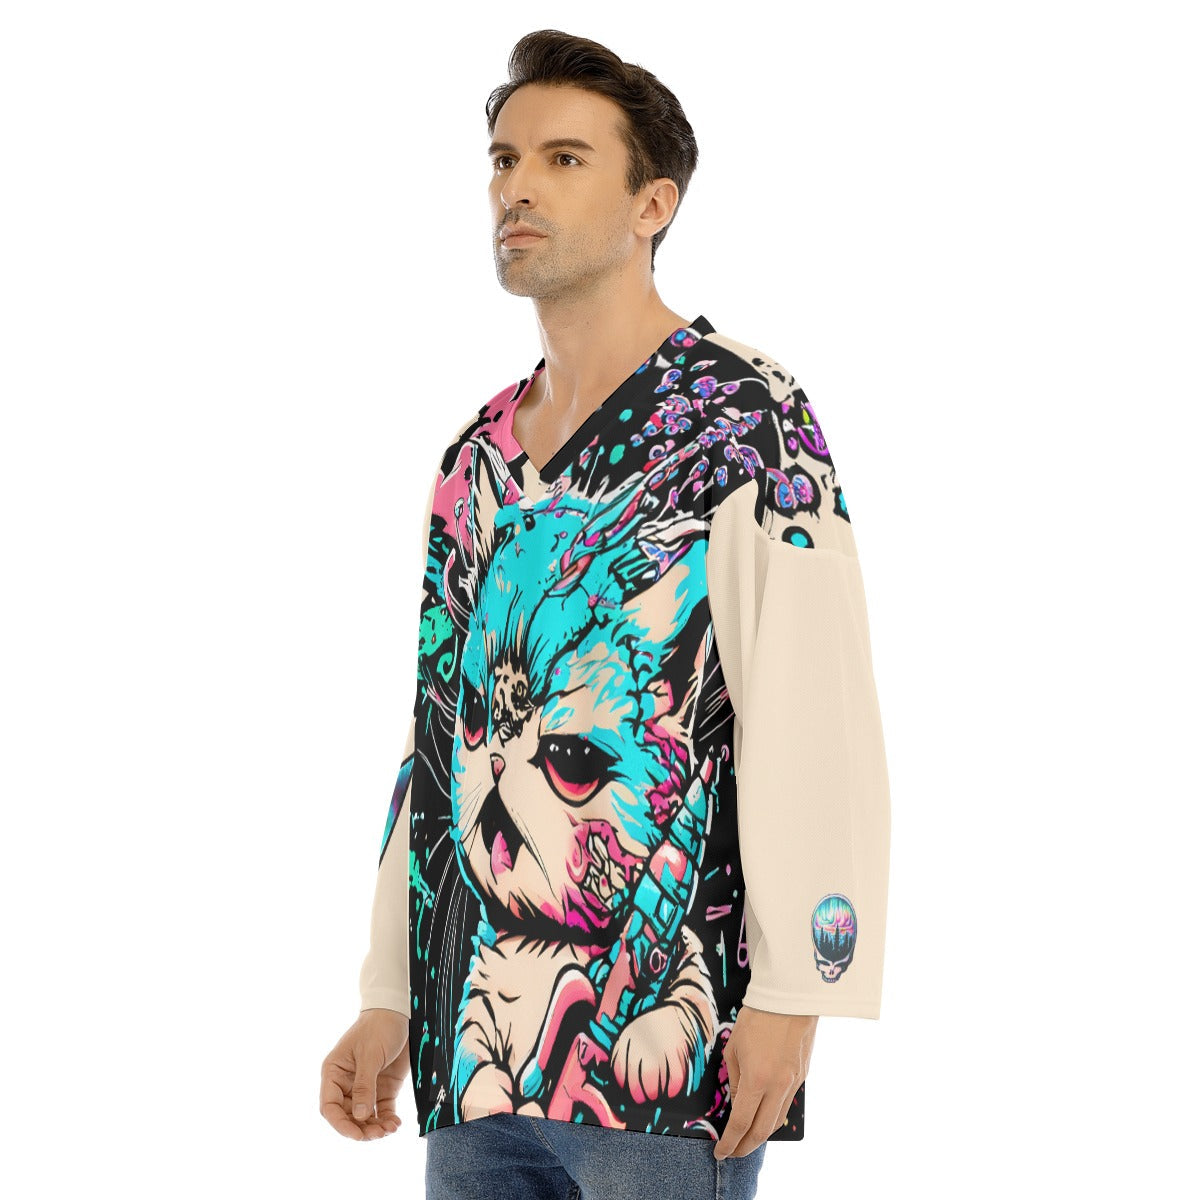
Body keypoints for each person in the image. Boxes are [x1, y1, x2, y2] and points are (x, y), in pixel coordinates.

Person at [320, 28, 891, 1200]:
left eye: (565, 159)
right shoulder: (475, 456)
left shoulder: (744, 420)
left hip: (663, 1067)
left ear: (652, 204)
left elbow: (814, 715)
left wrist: (795, 995)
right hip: (472, 1052)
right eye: (504, 159)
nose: (517, 188)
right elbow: (437, 735)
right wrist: (388, 992)